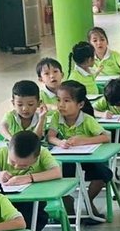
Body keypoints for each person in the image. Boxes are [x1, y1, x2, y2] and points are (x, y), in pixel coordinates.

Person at [45, 81, 112, 217]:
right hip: (67, 161)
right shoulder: (57, 117)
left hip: (88, 160)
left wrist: (84, 140)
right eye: (58, 100)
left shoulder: (87, 120)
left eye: (66, 101)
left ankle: (88, 200)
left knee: (103, 174)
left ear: (80, 104)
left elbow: (106, 137)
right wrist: (60, 143)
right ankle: (68, 203)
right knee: (57, 179)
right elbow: (50, 137)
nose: (61, 105)